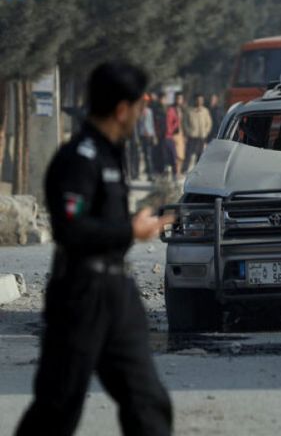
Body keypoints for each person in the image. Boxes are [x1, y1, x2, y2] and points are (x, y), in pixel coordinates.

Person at [16, 62, 174, 436]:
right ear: (122, 109)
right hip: (81, 294)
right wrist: (130, 230)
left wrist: (130, 226)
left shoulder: (110, 152)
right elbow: (70, 229)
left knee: (147, 401)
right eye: (139, 107)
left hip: (118, 292)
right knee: (57, 407)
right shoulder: (78, 158)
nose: (141, 115)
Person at [183, 94, 212, 171]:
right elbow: (185, 123)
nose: (199, 102)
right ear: (195, 100)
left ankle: (198, 170)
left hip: (202, 136)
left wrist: (206, 131)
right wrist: (188, 131)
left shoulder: (205, 111)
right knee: (188, 154)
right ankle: (184, 171)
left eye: (201, 100)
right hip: (192, 136)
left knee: (200, 155)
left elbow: (209, 123)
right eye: (198, 100)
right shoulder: (189, 111)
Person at [137, 94, 157, 180]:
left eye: (146, 101)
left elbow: (152, 124)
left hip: (149, 135)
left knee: (149, 155)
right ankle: (137, 174)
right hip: (141, 135)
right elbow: (137, 125)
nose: (145, 103)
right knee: (141, 155)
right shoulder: (138, 111)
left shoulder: (149, 111)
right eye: (143, 101)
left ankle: (150, 174)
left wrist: (154, 135)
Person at [164, 94, 182, 179]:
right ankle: (173, 174)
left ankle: (175, 173)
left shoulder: (178, 109)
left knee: (175, 156)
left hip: (175, 135)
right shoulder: (171, 110)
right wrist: (172, 129)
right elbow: (169, 124)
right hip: (169, 136)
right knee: (173, 156)